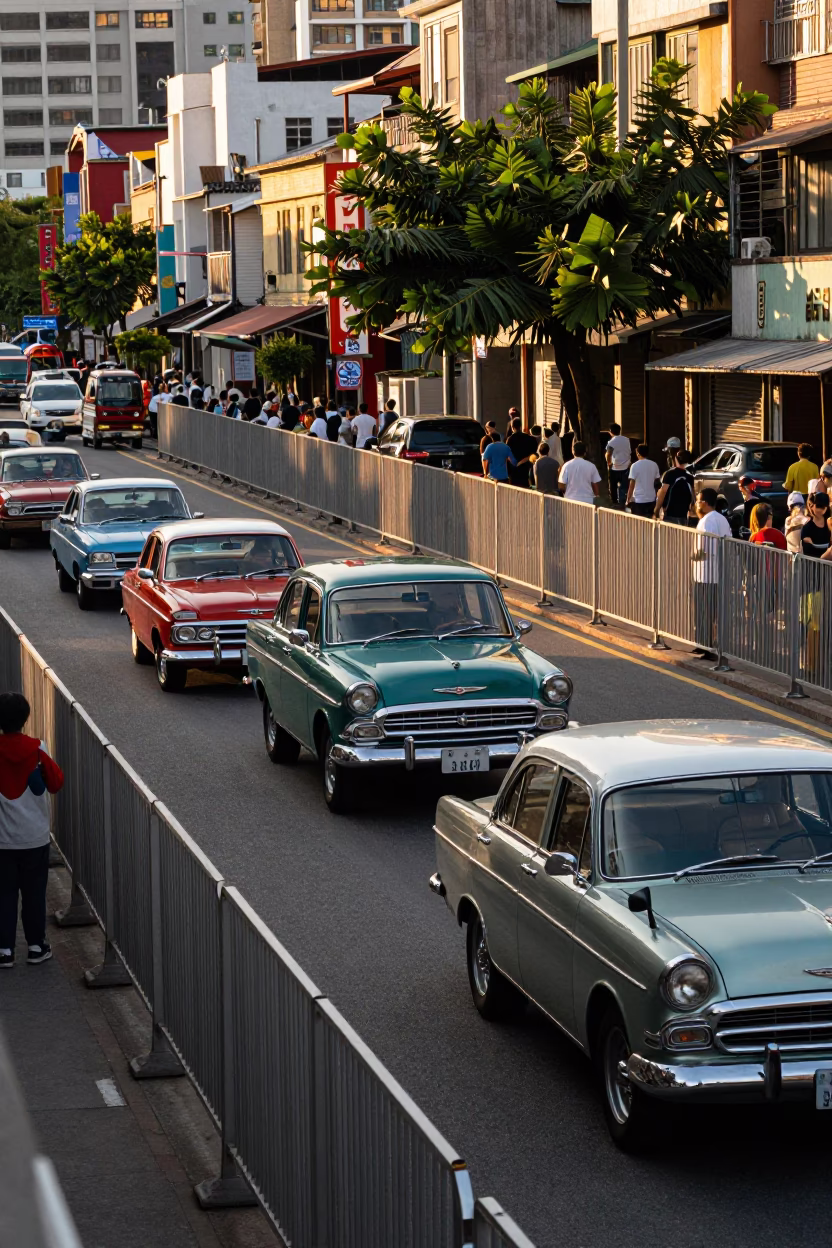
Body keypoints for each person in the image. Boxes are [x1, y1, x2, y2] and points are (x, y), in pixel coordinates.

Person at [0, 692, 64, 968]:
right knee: (34, 893)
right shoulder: (38, 748)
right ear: (25, 719)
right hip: (34, 837)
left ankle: (4, 950)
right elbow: (56, 783)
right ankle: (36, 946)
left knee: (4, 894)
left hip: (2, 839)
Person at [691, 487, 731, 661]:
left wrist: (692, 556)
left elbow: (703, 549)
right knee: (712, 611)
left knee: (703, 611)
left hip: (705, 573)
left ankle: (705, 646)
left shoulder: (706, 521)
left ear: (705, 503)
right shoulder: (722, 519)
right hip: (718, 573)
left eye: (698, 501)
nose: (696, 504)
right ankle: (707, 645)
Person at [655, 448, 695, 524]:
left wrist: (656, 509)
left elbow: (662, 492)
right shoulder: (689, 476)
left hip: (669, 512)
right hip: (684, 513)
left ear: (676, 459)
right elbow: (693, 495)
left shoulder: (669, 474)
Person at [626, 443, 660, 517]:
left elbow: (632, 484)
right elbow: (656, 482)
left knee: (639, 524)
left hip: (638, 499)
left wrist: (628, 499)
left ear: (638, 453)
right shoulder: (654, 464)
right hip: (651, 498)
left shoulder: (634, 466)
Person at [505, 417, 537, 487]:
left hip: (513, 470)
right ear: (520, 426)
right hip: (525, 469)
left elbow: (507, 455)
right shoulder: (529, 438)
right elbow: (532, 454)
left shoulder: (510, 439)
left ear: (512, 427)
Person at [605, 422, 631, 507]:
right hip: (626, 466)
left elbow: (608, 454)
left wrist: (609, 463)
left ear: (610, 431)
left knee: (613, 486)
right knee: (624, 486)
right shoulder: (626, 439)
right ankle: (622, 502)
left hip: (615, 467)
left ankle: (615, 502)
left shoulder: (611, 442)